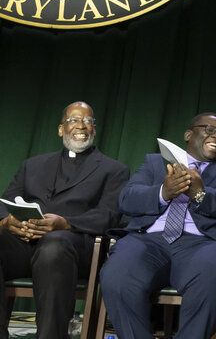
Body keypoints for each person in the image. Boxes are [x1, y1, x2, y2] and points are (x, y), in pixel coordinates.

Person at [99, 113, 216, 339]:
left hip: (204, 243)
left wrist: (201, 195)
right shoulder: (155, 162)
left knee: (212, 276)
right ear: (189, 135)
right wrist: (163, 192)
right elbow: (126, 199)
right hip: (149, 240)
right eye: (209, 129)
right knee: (116, 275)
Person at [0, 101, 129, 339]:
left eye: (88, 121)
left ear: (95, 129)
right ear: (61, 129)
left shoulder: (114, 170)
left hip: (74, 248)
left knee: (54, 245)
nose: (81, 125)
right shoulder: (33, 165)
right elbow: (6, 200)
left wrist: (65, 223)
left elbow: (109, 215)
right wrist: (7, 221)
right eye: (73, 120)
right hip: (27, 244)